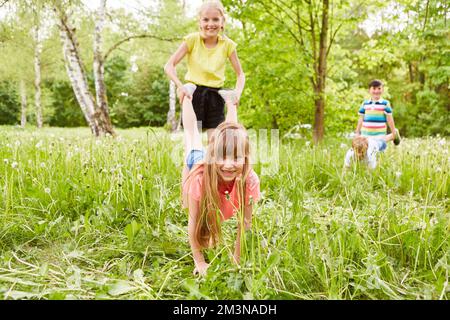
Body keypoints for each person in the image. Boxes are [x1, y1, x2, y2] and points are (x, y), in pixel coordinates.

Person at [180, 83, 260, 276]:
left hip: (219, 159)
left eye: (237, 158)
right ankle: (187, 97)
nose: (229, 165)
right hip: (196, 162)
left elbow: (245, 224)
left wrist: (236, 259)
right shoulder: (199, 180)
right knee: (192, 135)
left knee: (232, 137)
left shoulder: (249, 180)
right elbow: (193, 222)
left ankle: (231, 103)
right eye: (222, 157)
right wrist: (199, 262)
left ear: (246, 159)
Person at [164, 0, 245, 141]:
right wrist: (180, 86)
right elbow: (169, 65)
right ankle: (189, 163)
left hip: (216, 95)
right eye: (206, 19)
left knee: (214, 143)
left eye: (215, 19)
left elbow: (240, 74)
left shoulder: (228, 45)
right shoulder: (192, 40)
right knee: (192, 141)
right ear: (199, 22)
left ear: (222, 22)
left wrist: (237, 93)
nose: (210, 24)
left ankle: (212, 163)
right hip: (193, 93)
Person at [354, 79, 401, 145]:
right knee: (361, 148)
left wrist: (393, 132)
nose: (376, 91)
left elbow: (389, 119)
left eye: (379, 88)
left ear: (382, 90)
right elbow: (361, 119)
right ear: (369, 90)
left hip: (379, 135)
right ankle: (393, 134)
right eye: (374, 88)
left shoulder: (385, 103)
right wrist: (357, 132)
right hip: (365, 134)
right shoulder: (365, 103)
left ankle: (394, 134)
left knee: (375, 145)